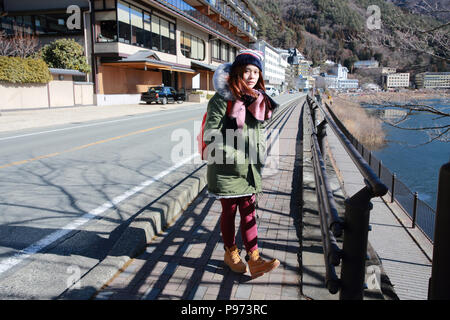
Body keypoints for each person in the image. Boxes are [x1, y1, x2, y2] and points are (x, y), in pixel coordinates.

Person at [203, 49, 280, 279]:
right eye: (247, 70)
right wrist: (238, 158)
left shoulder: (257, 100)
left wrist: (259, 157)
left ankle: (254, 259)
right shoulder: (222, 99)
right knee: (230, 211)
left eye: (256, 71)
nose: (251, 76)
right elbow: (210, 135)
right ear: (237, 71)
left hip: (249, 169)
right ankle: (231, 253)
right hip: (226, 168)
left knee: (248, 212)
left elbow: (257, 134)